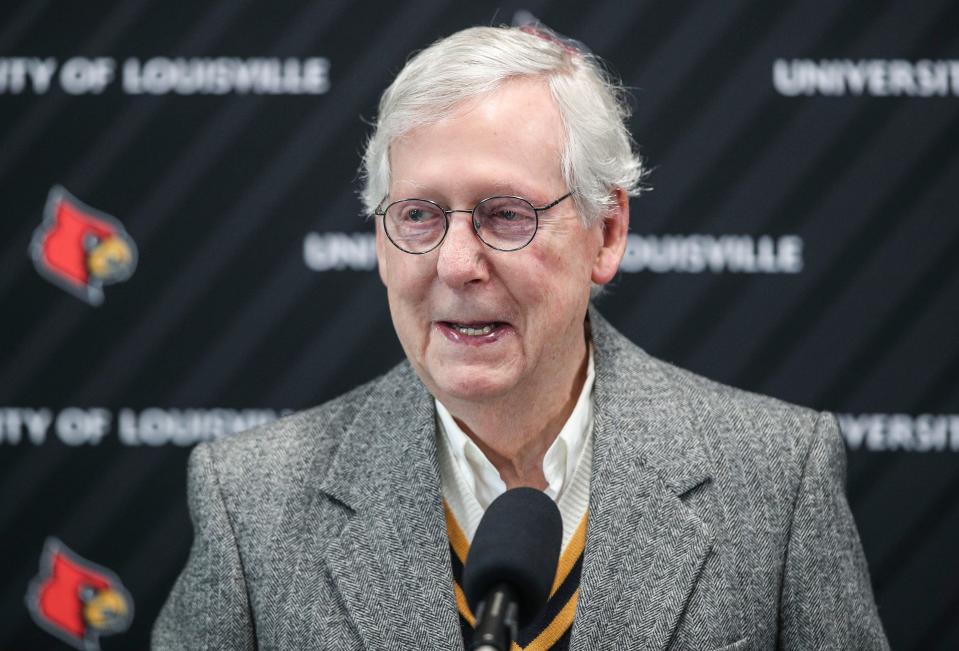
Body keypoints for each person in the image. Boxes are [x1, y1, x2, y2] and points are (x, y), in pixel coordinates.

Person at [152, 24, 889, 650]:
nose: (455, 263)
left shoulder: (776, 478)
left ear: (606, 233)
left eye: (505, 214)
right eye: (417, 215)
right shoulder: (251, 501)